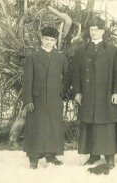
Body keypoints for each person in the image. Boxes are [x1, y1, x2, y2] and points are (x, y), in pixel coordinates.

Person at [72, 16, 117, 169]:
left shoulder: (113, 49)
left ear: (103, 31)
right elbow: (76, 73)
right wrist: (78, 92)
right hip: (88, 93)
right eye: (91, 30)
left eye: (96, 30)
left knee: (106, 124)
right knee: (90, 123)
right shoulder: (81, 50)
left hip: (106, 93)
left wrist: (116, 92)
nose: (93, 32)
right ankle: (93, 155)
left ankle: (109, 156)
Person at [22, 26, 71, 169]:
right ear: (41, 39)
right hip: (37, 99)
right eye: (46, 39)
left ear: (55, 41)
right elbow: (27, 80)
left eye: (52, 40)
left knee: (53, 127)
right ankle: (34, 158)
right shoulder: (33, 57)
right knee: (36, 128)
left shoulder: (60, 57)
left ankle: (51, 154)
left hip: (55, 99)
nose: (49, 42)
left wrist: (61, 91)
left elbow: (68, 75)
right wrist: (28, 100)